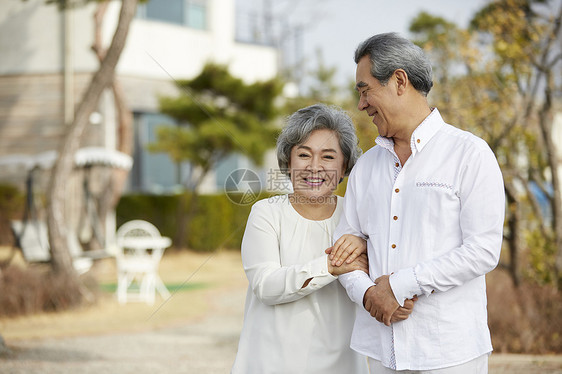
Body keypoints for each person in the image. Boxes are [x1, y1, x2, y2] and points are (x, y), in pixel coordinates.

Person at [331, 33, 505, 373]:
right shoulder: (366, 167)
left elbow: (483, 249)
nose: (361, 104)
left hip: (449, 352)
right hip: (380, 350)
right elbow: (345, 250)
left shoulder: (469, 154)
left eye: (365, 89)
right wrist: (369, 295)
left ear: (399, 81)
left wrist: (400, 285)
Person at [231, 104, 415, 374]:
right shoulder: (267, 213)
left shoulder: (357, 217)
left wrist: (395, 299)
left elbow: (380, 282)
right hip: (270, 362)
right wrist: (331, 266)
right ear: (288, 162)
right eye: (304, 155)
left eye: (328, 157)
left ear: (344, 167)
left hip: (342, 364)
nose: (314, 167)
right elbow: (266, 286)